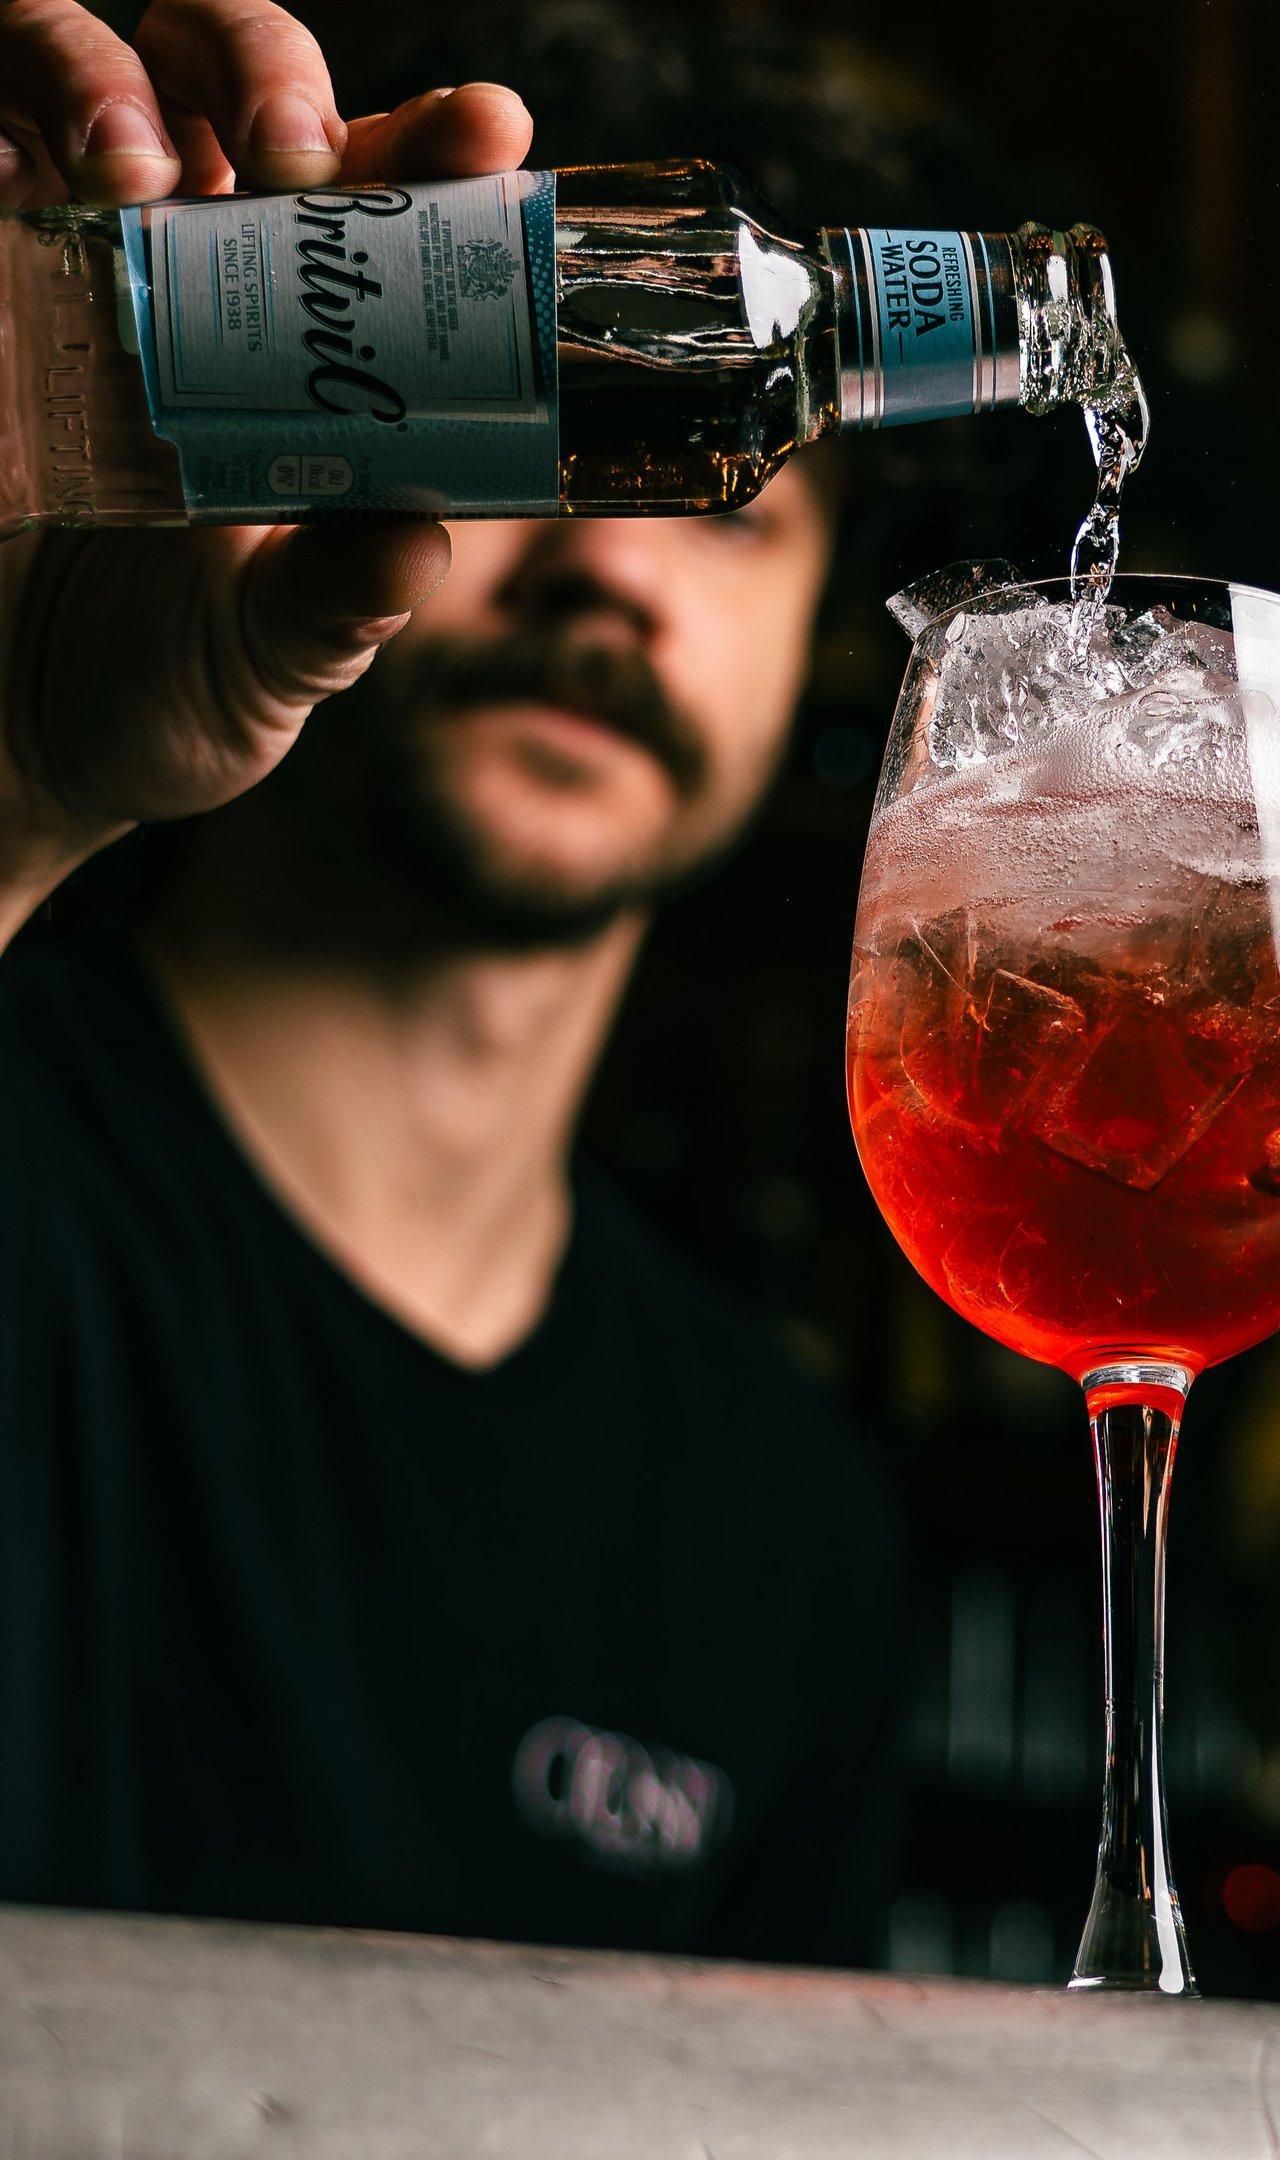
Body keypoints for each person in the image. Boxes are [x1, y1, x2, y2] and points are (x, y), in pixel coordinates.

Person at [0, 0, 921, 1964]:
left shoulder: (787, 1531)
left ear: (817, 640)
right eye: (551, 431)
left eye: (718, 488)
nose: (615, 572)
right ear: (315, 420)